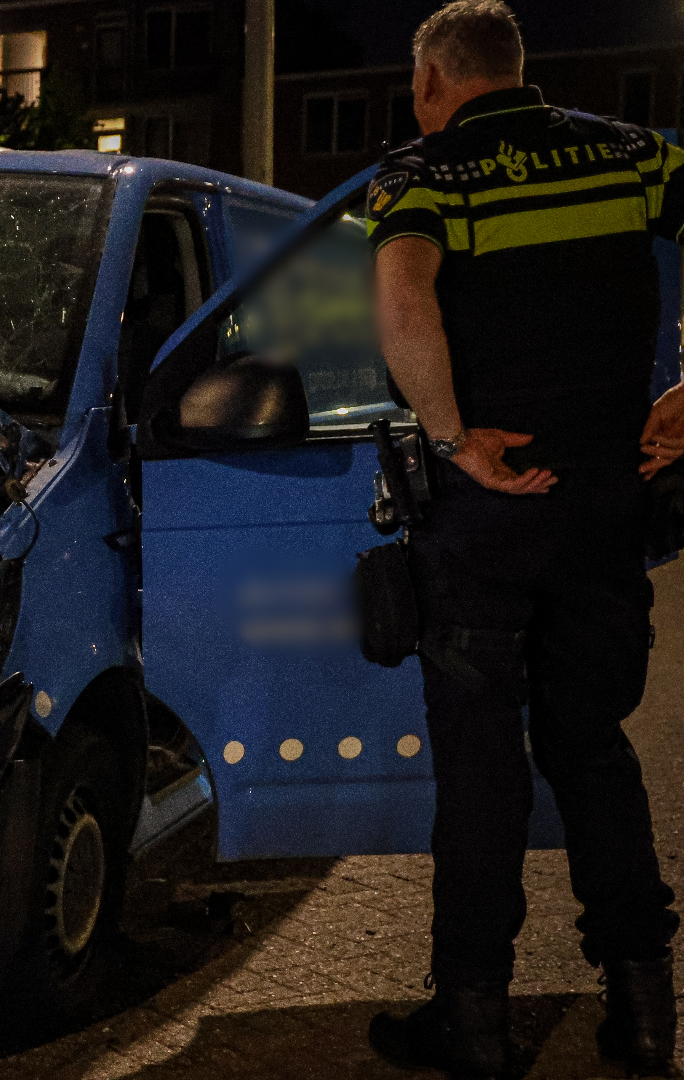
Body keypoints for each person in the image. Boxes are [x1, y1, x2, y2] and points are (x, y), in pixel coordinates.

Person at [362, 3, 684, 1076]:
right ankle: (645, 1016)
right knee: (593, 748)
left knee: (480, 770)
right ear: (518, 69)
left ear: (432, 81)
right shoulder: (633, 155)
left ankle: (474, 1026)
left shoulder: (424, 175)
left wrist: (456, 441)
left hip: (487, 521)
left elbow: (405, 299)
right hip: (607, 508)